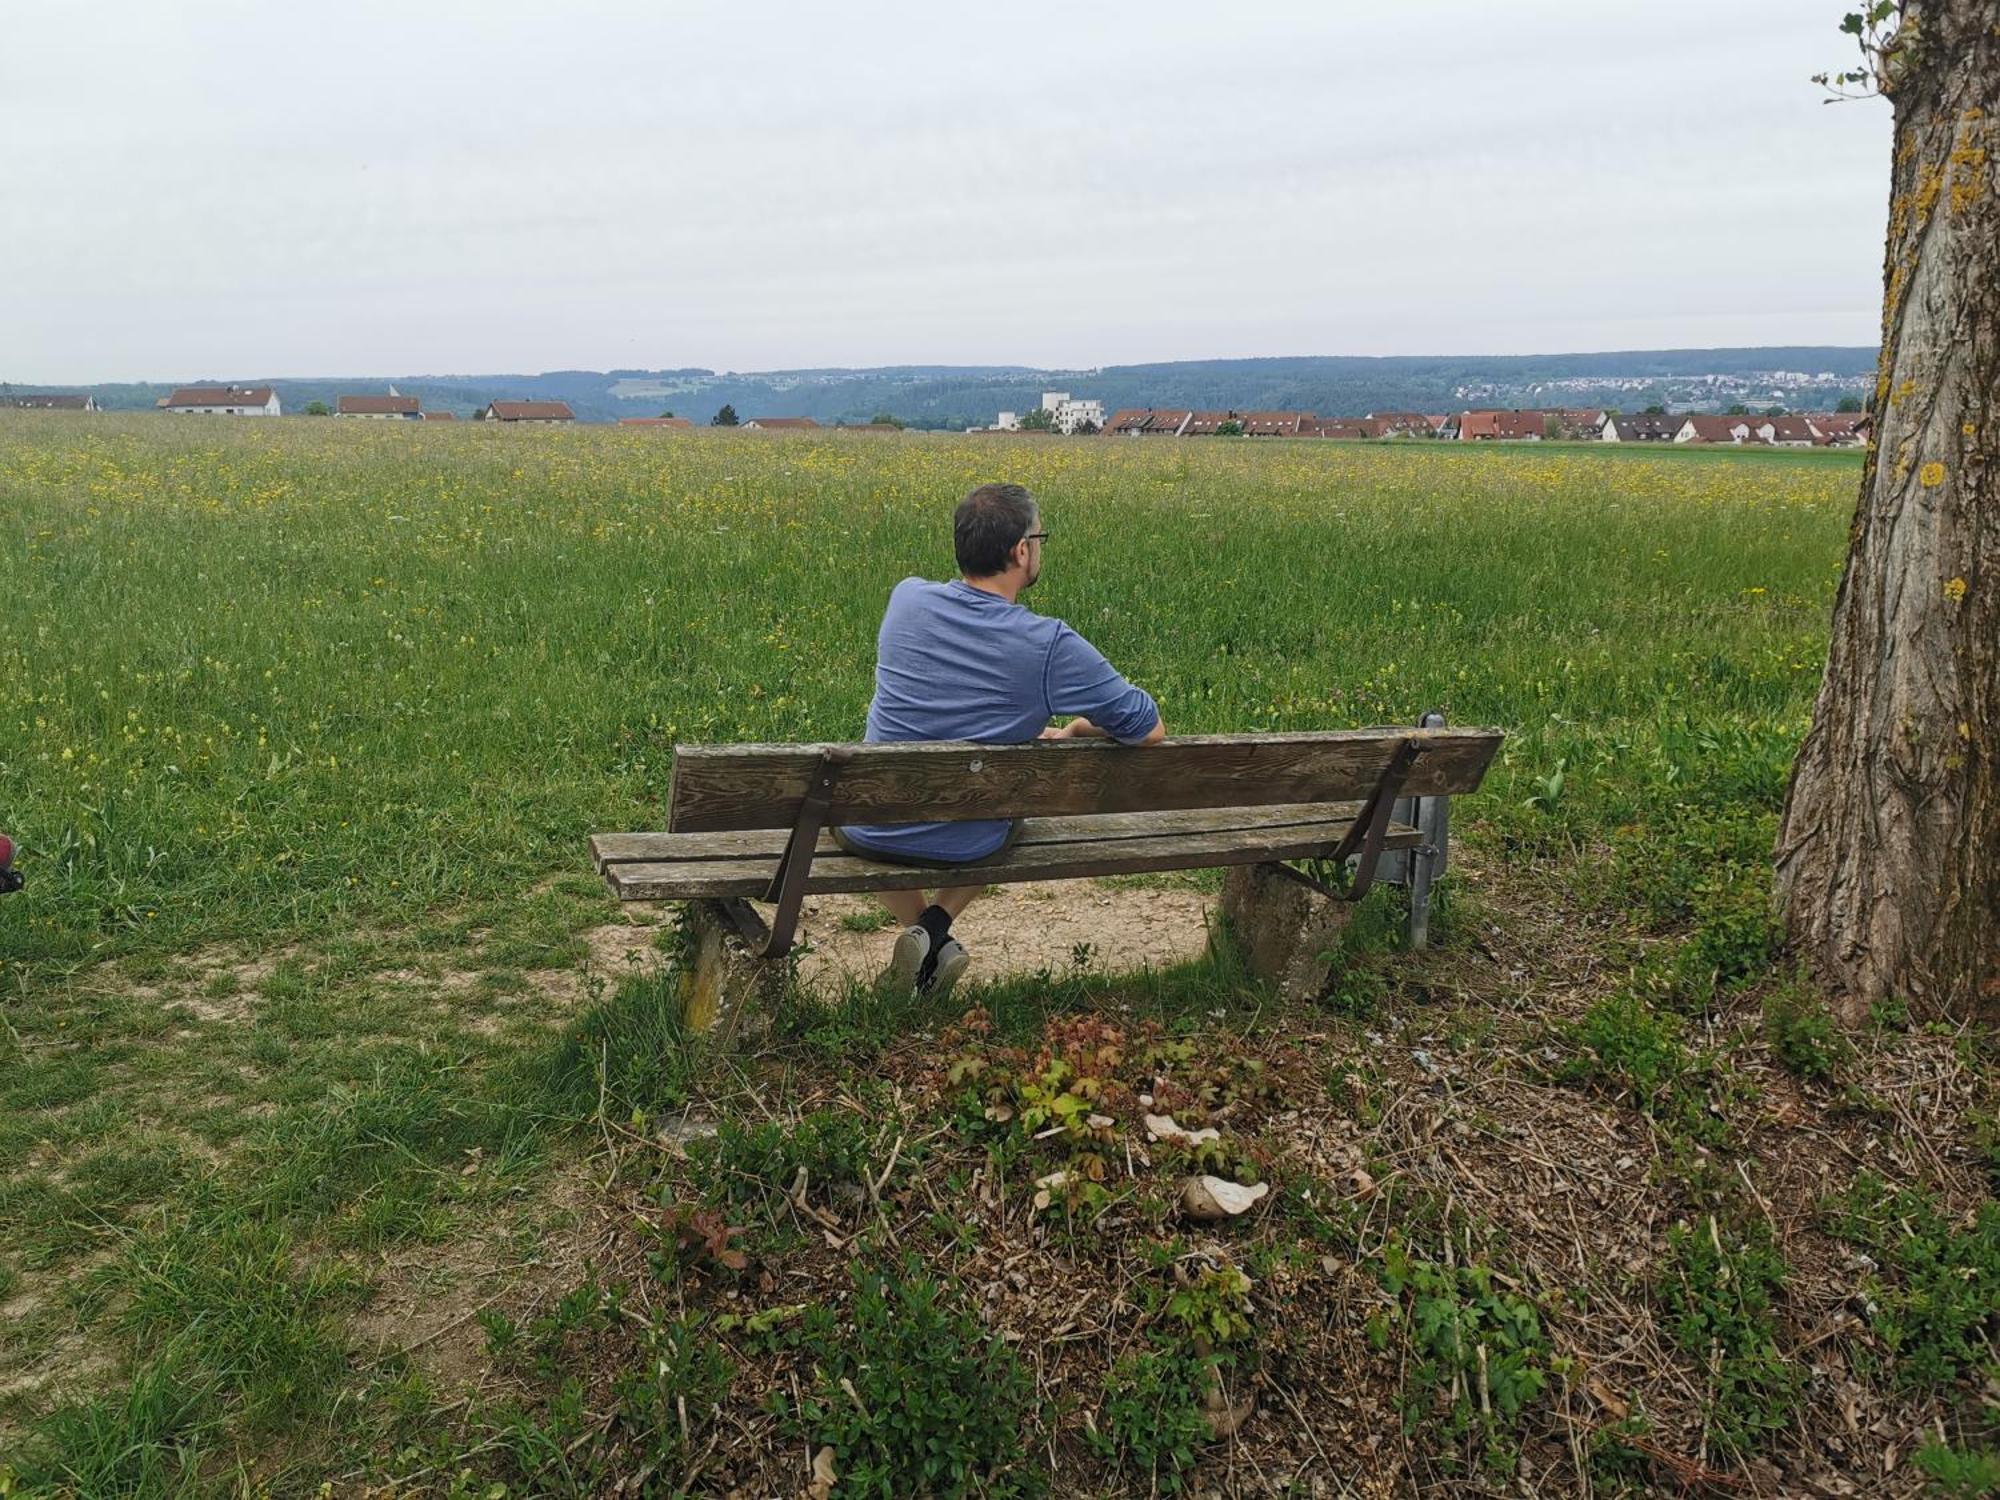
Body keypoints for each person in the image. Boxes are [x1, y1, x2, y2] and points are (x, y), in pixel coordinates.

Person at [835, 482, 1164, 995]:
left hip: (869, 825)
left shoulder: (906, 599)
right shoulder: (1049, 643)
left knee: (920, 813)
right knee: (1009, 805)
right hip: (971, 841)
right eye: (1040, 538)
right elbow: (1147, 728)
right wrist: (1080, 726)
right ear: (1021, 551)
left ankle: (925, 941)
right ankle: (936, 929)